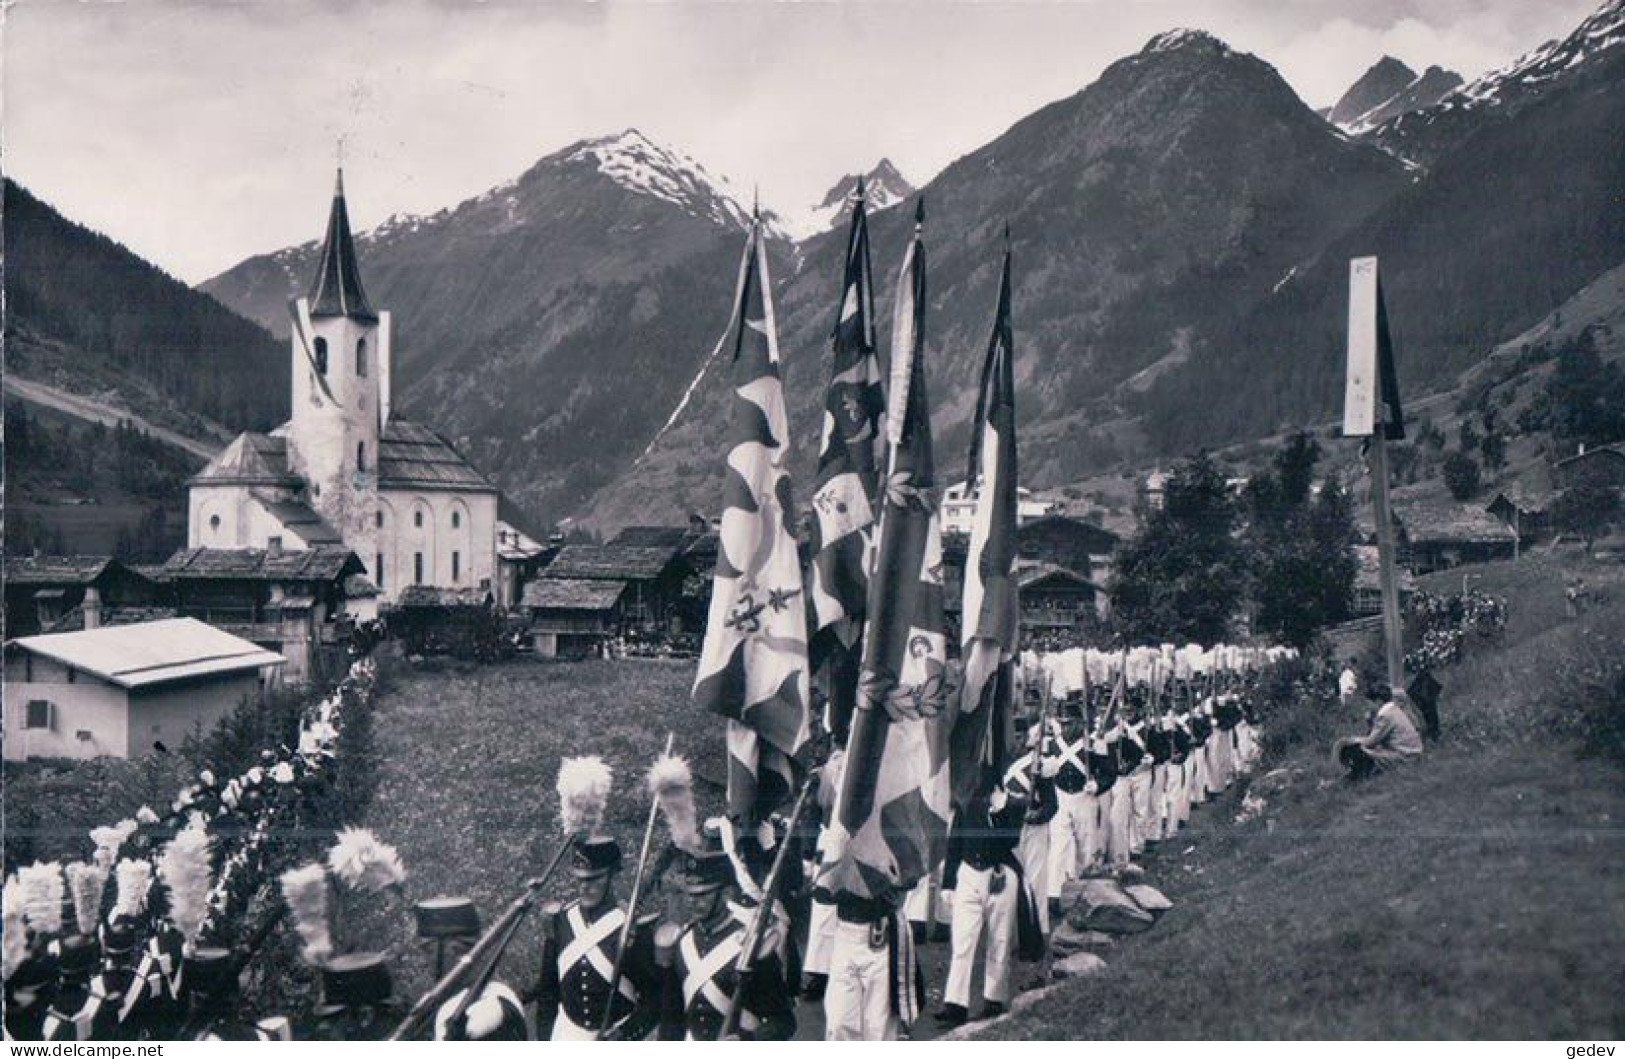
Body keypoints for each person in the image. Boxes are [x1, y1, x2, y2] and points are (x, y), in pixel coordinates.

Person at [659, 836, 795, 1041]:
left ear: (725, 893)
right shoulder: (682, 942)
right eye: (691, 894)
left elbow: (783, 1022)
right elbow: (672, 1017)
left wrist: (747, 1041)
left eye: (703, 895)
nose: (693, 902)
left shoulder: (751, 945)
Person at [533, 835, 661, 1041]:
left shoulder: (630, 928)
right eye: (581, 878)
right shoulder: (561, 922)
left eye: (594, 878)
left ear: (612, 876)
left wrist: (624, 1033)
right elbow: (548, 993)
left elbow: (654, 999)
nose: (585, 886)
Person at [936, 771, 1026, 1028]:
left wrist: (1000, 810)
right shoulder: (968, 802)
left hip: (1000, 875)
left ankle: (993, 999)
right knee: (962, 940)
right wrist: (948, 883)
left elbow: (1011, 839)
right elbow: (954, 842)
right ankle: (955, 1004)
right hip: (968, 873)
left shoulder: (1014, 804)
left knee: (999, 939)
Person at [1336, 687, 1424, 780]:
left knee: (1354, 750)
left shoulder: (1385, 715)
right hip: (1412, 753)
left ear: (1377, 701)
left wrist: (1351, 740)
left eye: (1369, 703)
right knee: (1367, 752)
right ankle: (1354, 776)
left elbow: (1370, 742)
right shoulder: (1393, 709)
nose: (1367, 706)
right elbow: (1375, 738)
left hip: (1405, 757)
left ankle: (1353, 779)